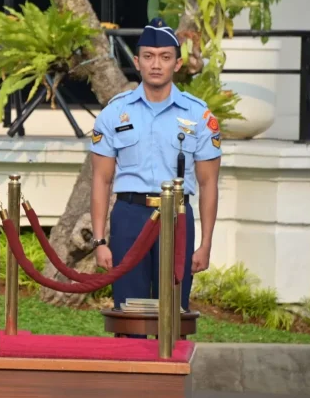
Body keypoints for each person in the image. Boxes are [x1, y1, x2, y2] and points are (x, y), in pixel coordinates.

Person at [88, 17, 221, 316]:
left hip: (177, 217)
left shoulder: (199, 115)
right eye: (148, 56)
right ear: (137, 62)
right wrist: (99, 241)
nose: (156, 64)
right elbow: (101, 179)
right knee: (129, 313)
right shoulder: (115, 112)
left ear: (177, 63)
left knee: (173, 312)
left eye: (165, 57)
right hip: (129, 216)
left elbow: (208, 183)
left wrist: (206, 244)